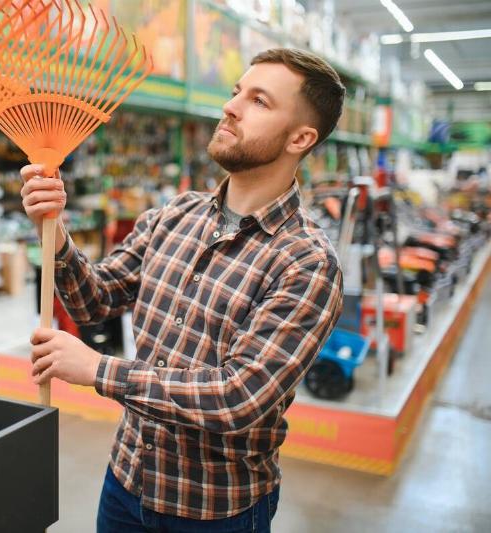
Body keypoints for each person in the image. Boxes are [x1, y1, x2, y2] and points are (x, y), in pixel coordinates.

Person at [21, 47, 345, 532]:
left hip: (216, 510)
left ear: (301, 137)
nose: (231, 107)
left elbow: (239, 397)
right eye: (237, 92)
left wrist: (99, 369)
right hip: (127, 483)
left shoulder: (305, 263)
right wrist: (56, 232)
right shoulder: (175, 215)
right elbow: (97, 300)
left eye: (259, 101)